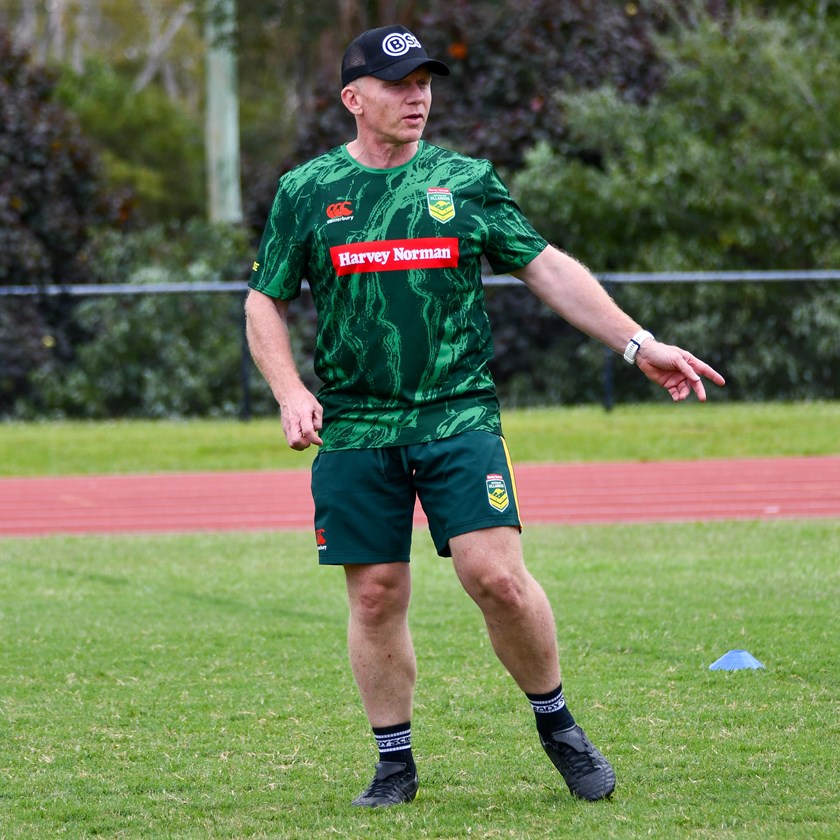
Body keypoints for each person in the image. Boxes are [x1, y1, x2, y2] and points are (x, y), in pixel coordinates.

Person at [245, 24, 725, 808]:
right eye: (399, 84)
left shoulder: (464, 180)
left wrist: (639, 344)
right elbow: (264, 298)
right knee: (374, 594)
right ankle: (394, 763)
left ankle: (558, 724)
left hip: (456, 412)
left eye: (425, 82)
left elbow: (545, 266)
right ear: (353, 98)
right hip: (358, 425)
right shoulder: (308, 190)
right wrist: (291, 391)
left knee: (495, 576)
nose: (418, 95)